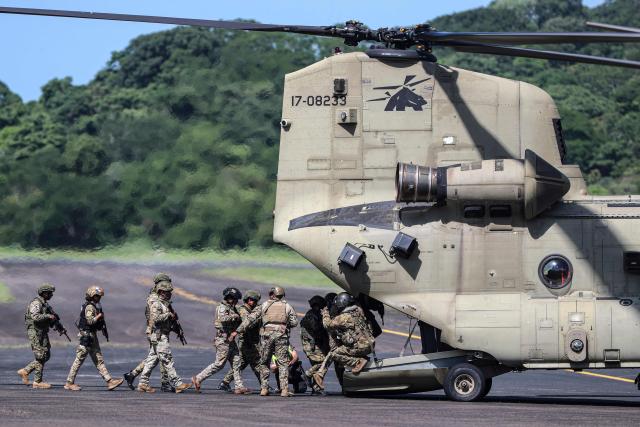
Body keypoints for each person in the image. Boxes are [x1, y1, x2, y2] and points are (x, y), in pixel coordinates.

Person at [233, 286, 298, 397]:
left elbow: (250, 319)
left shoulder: (264, 305)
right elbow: (294, 322)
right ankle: (284, 390)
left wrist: (238, 330)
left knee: (264, 362)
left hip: (266, 337)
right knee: (283, 363)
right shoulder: (287, 306)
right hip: (281, 337)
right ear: (282, 295)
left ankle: (264, 389)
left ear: (271, 294)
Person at [64, 286, 124, 391]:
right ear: (92, 296)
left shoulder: (93, 306)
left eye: (99, 296)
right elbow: (90, 321)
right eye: (97, 296)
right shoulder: (90, 307)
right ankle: (69, 382)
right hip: (86, 336)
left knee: (98, 359)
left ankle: (109, 381)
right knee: (79, 359)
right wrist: (99, 316)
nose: (99, 298)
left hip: (92, 336)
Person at [192, 287, 250, 395]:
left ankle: (239, 386)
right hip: (223, 339)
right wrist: (235, 316)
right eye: (235, 299)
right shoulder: (222, 308)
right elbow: (222, 319)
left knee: (237, 362)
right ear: (230, 298)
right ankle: (198, 378)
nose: (236, 301)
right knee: (219, 364)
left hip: (230, 340)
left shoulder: (231, 308)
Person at [136, 281, 191, 393]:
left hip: (160, 335)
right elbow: (155, 319)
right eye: (167, 292)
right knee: (167, 359)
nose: (170, 294)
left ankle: (143, 383)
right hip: (159, 336)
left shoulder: (164, 304)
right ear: (161, 292)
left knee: (151, 360)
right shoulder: (157, 304)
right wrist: (168, 315)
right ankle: (178, 383)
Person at [313, 292, 375, 390]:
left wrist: (325, 312)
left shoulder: (343, 317)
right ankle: (320, 374)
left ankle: (358, 362)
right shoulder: (358, 310)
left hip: (360, 347)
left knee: (334, 353)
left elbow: (327, 325)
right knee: (337, 351)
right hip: (370, 345)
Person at [123, 273, 173, 392]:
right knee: (161, 356)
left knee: (155, 356)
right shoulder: (154, 298)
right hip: (156, 331)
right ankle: (164, 382)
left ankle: (132, 375)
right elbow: (154, 317)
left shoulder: (159, 297)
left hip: (159, 330)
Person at [17, 283, 63, 389]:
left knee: (46, 355)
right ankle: (37, 381)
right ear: (44, 293)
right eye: (50, 293)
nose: (51, 295)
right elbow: (35, 317)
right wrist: (48, 316)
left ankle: (25, 371)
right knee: (40, 356)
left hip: (42, 332)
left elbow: (51, 319)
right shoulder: (36, 303)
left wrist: (59, 326)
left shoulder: (45, 305)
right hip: (35, 332)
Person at [218, 289, 265, 392]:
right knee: (257, 363)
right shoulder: (243, 310)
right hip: (247, 341)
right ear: (246, 300)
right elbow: (248, 325)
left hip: (251, 341)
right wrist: (258, 317)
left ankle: (225, 382)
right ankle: (264, 385)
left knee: (242, 363)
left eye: (254, 300)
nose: (252, 302)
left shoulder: (251, 310)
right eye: (250, 299)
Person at [300, 295, 329, 394]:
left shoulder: (313, 314)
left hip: (314, 345)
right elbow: (317, 330)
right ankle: (307, 375)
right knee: (323, 363)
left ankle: (316, 388)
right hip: (313, 346)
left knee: (319, 367)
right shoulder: (312, 316)